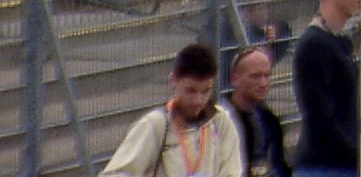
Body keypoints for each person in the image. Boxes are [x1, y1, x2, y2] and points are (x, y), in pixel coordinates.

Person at [101, 42, 242, 177]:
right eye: (190, 90)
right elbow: (114, 173)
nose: (198, 100)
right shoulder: (155, 125)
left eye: (206, 91)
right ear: (173, 80)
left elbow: (232, 171)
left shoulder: (219, 120)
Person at [291, 0, 361, 177]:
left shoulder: (339, 42)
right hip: (323, 167)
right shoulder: (314, 45)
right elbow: (320, 118)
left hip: (341, 164)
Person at [224, 46, 289, 177]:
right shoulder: (222, 121)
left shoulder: (270, 120)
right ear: (234, 79)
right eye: (255, 76)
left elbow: (279, 165)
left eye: (267, 75)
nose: (263, 83)